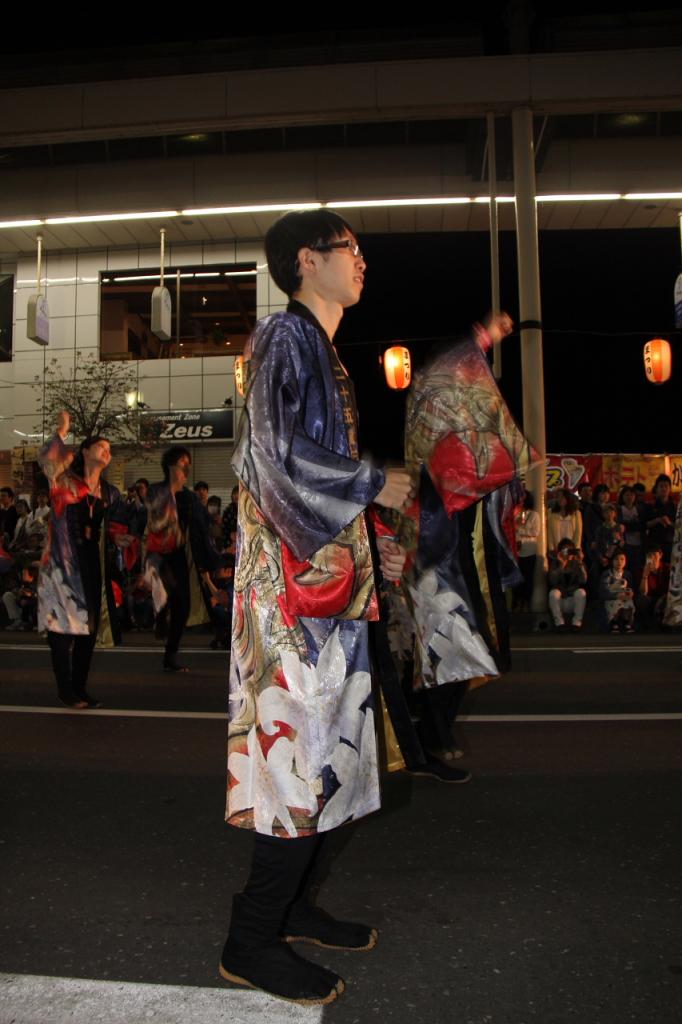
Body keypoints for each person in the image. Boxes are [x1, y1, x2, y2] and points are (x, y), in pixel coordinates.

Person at [221, 209, 412, 1005]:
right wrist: (370, 483)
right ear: (308, 260)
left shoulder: (320, 350)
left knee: (328, 755)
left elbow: (310, 471)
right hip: (290, 606)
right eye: (351, 249)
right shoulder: (282, 336)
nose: (362, 262)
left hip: (322, 593)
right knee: (293, 760)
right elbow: (271, 453)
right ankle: (250, 938)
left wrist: (373, 543)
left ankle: (292, 905)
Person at [37, 410, 136, 708]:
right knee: (61, 628)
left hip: (92, 562)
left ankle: (79, 687)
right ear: (85, 451)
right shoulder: (65, 480)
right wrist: (63, 431)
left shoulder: (109, 492)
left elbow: (112, 526)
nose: (106, 452)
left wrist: (118, 539)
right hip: (62, 565)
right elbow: (48, 462)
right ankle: (65, 689)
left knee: (89, 628)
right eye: (101, 447)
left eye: (109, 450)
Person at [144, 448, 219, 672]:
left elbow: (203, 527)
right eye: (182, 461)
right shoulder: (156, 491)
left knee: (183, 606)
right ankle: (160, 613)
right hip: (158, 554)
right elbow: (153, 523)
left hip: (178, 554)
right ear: (170, 465)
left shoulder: (189, 497)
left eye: (188, 462)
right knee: (168, 595)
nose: (186, 466)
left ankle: (170, 654)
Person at [548, 538, 587, 631]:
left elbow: (583, 580)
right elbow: (552, 581)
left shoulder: (577, 563)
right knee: (553, 593)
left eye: (570, 550)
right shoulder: (555, 563)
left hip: (573, 600)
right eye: (565, 550)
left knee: (581, 592)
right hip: (560, 600)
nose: (568, 553)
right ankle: (559, 623)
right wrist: (561, 565)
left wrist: (580, 562)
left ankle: (577, 623)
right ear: (560, 551)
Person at [599, 551, 635, 633]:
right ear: (612, 561)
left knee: (628, 603)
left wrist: (630, 593)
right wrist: (616, 595)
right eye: (616, 559)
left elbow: (631, 588)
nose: (619, 562)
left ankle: (626, 622)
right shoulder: (607, 574)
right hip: (611, 598)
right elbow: (603, 592)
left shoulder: (627, 574)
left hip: (624, 598)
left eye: (622, 559)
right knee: (616, 603)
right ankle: (613, 622)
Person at [645, 473, 676, 563]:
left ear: (670, 489)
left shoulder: (675, 506)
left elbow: (679, 526)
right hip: (654, 544)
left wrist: (669, 523)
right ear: (656, 489)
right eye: (661, 486)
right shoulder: (650, 505)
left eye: (666, 486)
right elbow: (644, 525)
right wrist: (656, 520)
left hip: (670, 544)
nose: (664, 489)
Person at [546, 487, 582, 557]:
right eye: (558, 497)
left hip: (572, 547)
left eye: (562, 497)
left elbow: (578, 531)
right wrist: (551, 548)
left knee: (571, 565)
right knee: (560, 565)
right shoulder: (551, 512)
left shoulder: (576, 513)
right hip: (557, 547)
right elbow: (549, 531)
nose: (560, 499)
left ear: (567, 498)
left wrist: (576, 548)